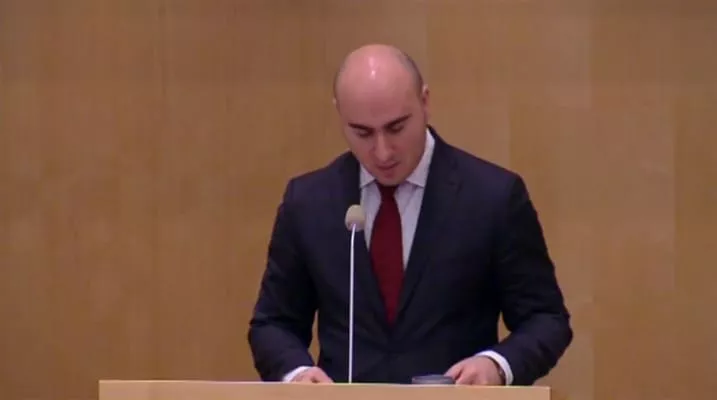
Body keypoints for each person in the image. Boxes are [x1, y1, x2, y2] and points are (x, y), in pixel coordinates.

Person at [247, 43, 572, 386]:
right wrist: (297, 374)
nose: (382, 152)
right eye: (362, 133)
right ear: (339, 115)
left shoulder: (492, 197)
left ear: (425, 102)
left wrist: (496, 365)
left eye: (396, 127)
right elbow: (273, 324)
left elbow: (546, 319)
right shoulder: (309, 202)